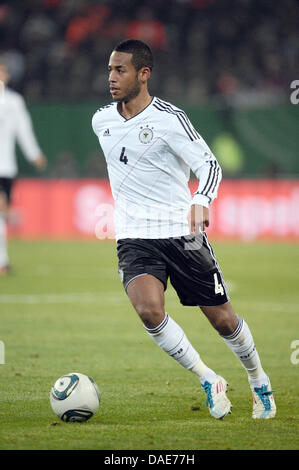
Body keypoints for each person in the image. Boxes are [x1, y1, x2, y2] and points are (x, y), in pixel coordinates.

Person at [91, 39, 276, 420]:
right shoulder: (101, 120)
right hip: (134, 236)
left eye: (120, 70)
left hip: (182, 233)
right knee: (148, 311)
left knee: (223, 319)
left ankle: (258, 379)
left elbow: (209, 165)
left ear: (144, 74)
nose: (111, 77)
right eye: (110, 69)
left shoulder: (169, 119)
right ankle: (210, 379)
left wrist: (201, 200)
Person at [0, 61, 47, 275]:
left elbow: (23, 130)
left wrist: (34, 154)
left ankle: (2, 260)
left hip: (5, 166)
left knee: (2, 216)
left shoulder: (13, 101)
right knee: (3, 211)